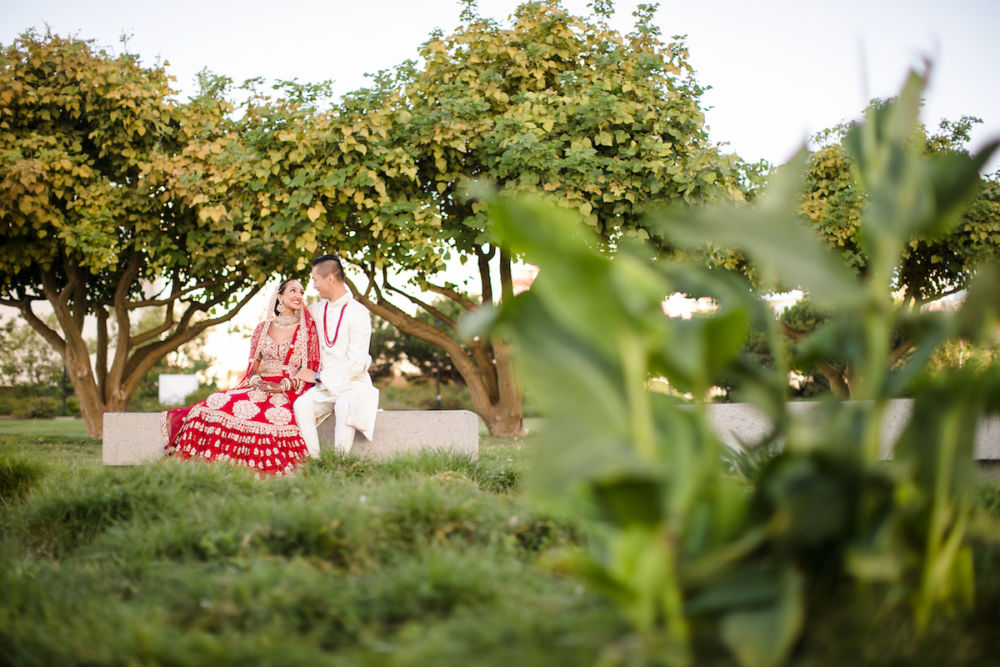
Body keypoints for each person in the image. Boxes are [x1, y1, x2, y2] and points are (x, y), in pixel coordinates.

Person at [163, 278, 320, 475]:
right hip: (259, 386)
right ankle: (209, 468)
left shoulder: (307, 330)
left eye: (301, 292)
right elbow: (253, 368)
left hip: (288, 391)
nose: (298, 295)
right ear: (279, 297)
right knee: (215, 401)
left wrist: (282, 386)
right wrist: (257, 382)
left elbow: (310, 370)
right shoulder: (262, 329)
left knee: (272, 421)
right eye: (293, 291)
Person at [292, 254, 379, 457]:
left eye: (315, 279)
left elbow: (357, 362)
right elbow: (292, 317)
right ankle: (316, 464)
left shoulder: (359, 312)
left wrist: (317, 376)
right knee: (301, 405)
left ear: (330, 278)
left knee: (344, 404)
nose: (313, 286)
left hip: (353, 385)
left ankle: (339, 464)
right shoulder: (316, 309)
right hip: (325, 388)